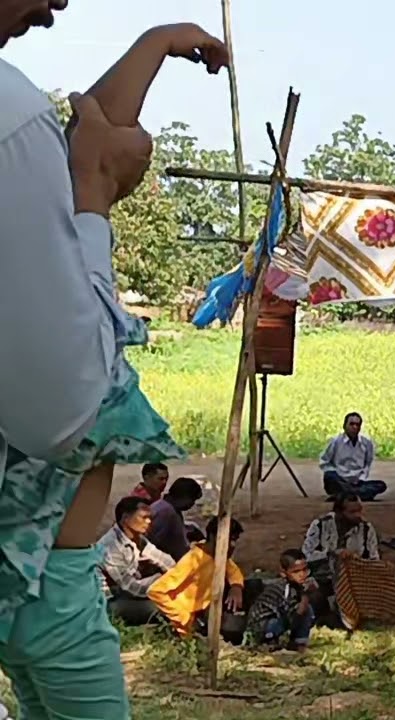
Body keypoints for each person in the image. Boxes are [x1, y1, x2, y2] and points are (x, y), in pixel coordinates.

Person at [0, 18, 228, 719]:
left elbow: (75, 136)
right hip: (44, 573)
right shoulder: (8, 115)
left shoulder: (15, 122)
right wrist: (96, 198)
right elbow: (69, 405)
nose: (57, 7)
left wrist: (156, 45)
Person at [148, 516, 246, 639]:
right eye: (230, 539)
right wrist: (184, 618)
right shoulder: (193, 561)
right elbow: (156, 591)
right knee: (233, 629)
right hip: (185, 616)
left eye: (235, 540)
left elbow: (232, 570)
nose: (233, 545)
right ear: (212, 536)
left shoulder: (218, 556)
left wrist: (236, 586)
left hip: (203, 609)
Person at [98, 496, 174, 626]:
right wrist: (163, 580)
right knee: (163, 607)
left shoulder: (138, 540)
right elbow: (130, 588)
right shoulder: (110, 546)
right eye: (144, 517)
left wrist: (176, 575)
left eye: (150, 517)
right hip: (107, 602)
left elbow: (166, 561)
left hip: (124, 595)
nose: (149, 522)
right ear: (125, 519)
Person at [246, 549, 317, 652]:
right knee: (302, 610)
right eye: (296, 572)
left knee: (308, 610)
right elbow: (294, 615)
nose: (302, 574)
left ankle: (299, 642)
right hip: (262, 625)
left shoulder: (297, 586)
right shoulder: (284, 588)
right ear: (284, 573)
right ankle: (269, 643)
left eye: (304, 570)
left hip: (283, 618)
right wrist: (306, 595)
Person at [301, 493, 381, 583]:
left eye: (359, 511)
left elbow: (374, 560)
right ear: (338, 512)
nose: (358, 515)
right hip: (322, 578)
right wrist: (331, 554)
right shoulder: (320, 525)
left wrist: (357, 560)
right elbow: (306, 556)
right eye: (352, 512)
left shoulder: (367, 529)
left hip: (355, 579)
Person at [319, 412, 386, 501]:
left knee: (381, 485)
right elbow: (324, 461)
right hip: (339, 480)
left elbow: (367, 463)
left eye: (357, 425)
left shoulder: (366, 443)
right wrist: (336, 474)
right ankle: (356, 494)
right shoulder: (336, 441)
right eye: (351, 424)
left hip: (357, 482)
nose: (355, 427)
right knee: (329, 476)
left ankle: (345, 495)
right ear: (344, 426)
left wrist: (361, 479)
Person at [147, 476, 204, 561]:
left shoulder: (166, 507)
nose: (192, 504)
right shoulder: (166, 512)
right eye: (192, 500)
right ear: (184, 497)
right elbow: (154, 541)